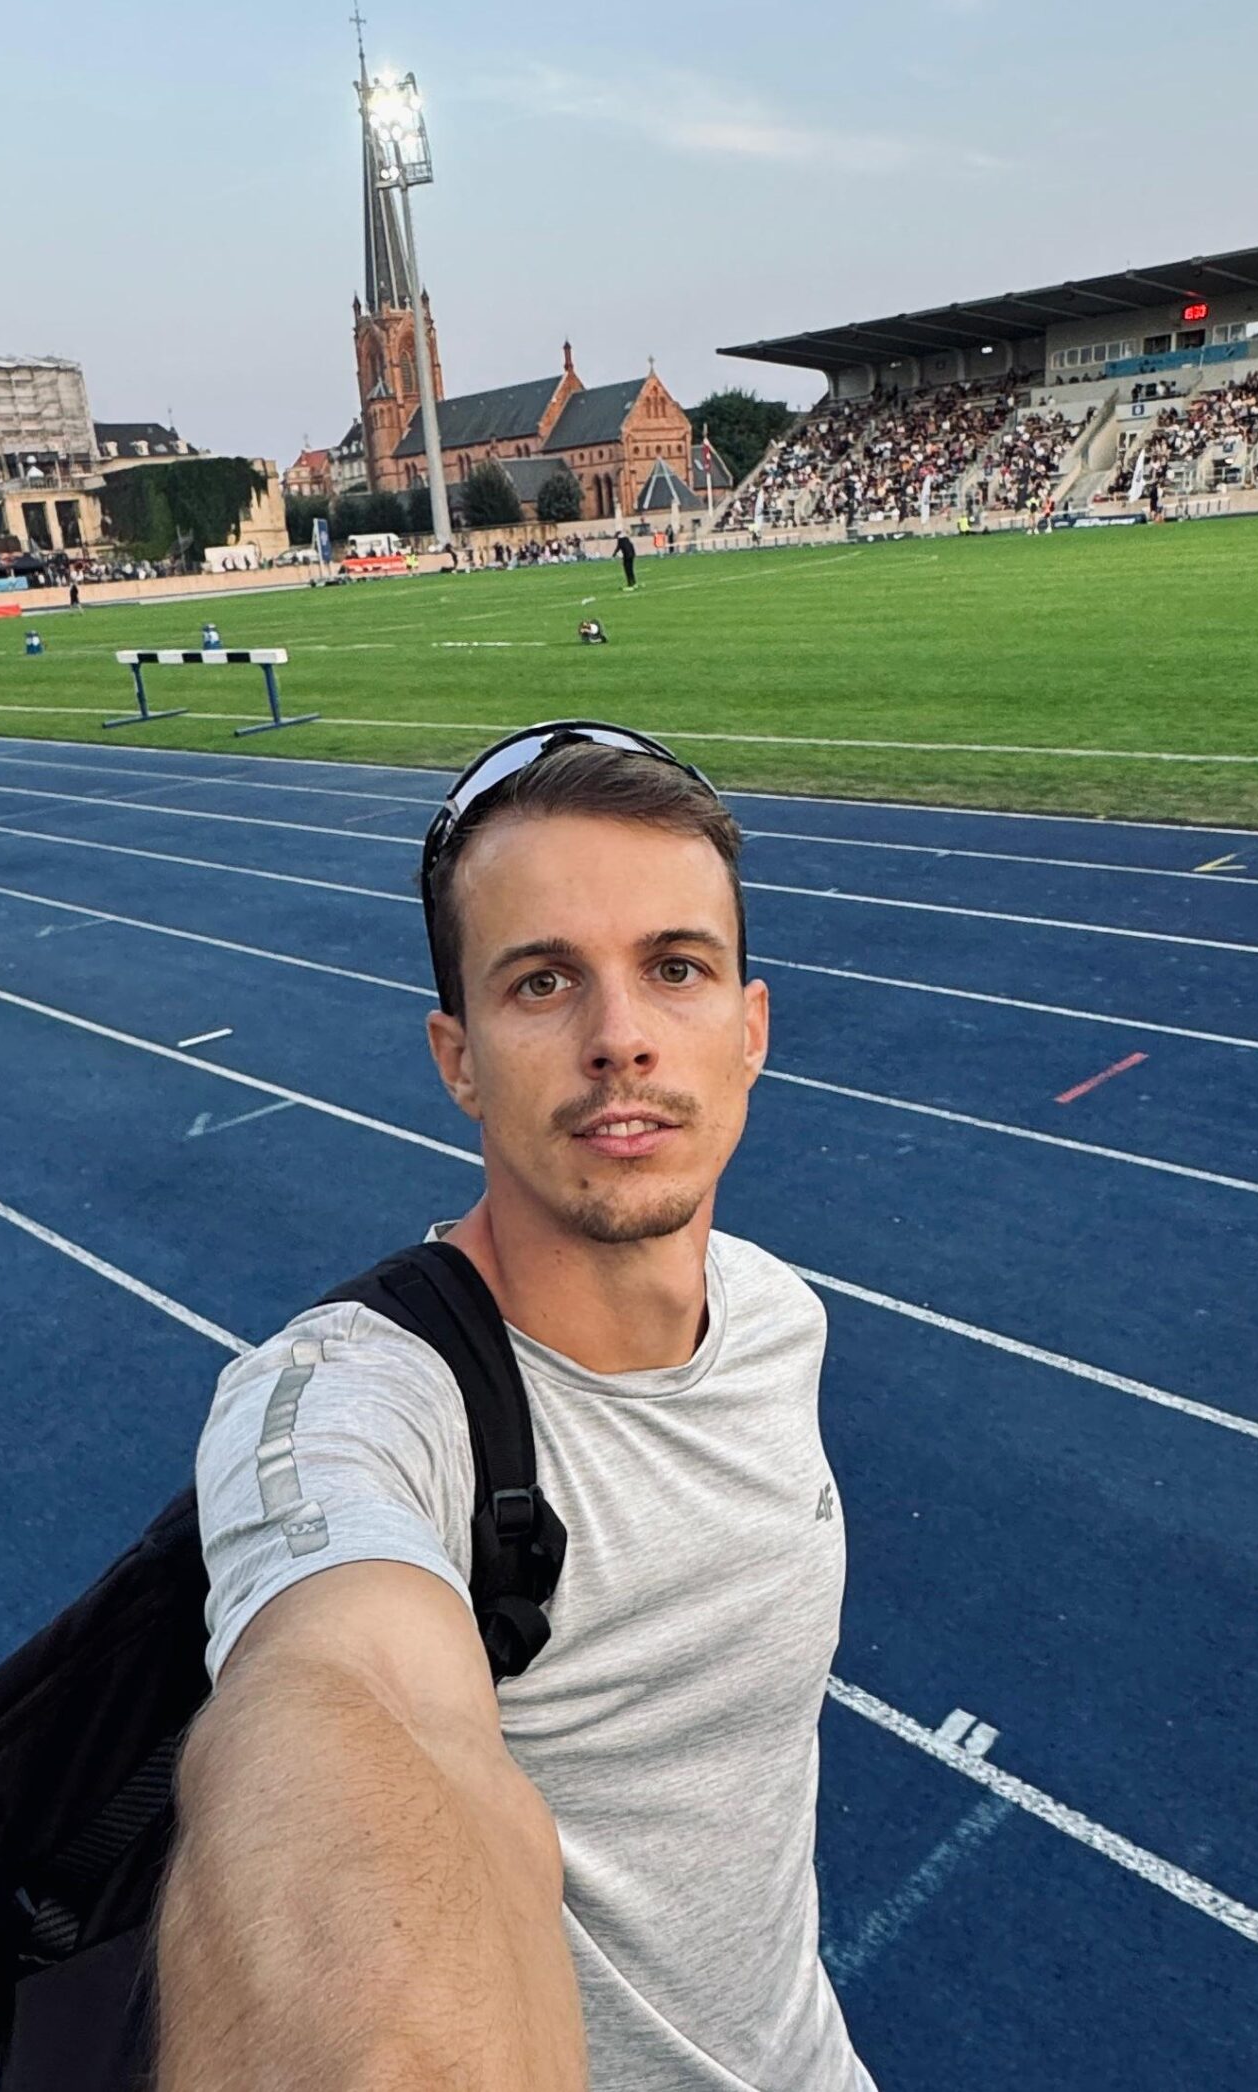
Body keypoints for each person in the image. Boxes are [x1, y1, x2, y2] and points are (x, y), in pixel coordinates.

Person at [161, 724, 872, 2092]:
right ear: (460, 1059)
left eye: (676, 969)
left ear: (751, 1030)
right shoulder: (350, 1405)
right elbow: (342, 1701)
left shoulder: (778, 1317)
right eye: (543, 982)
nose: (621, 1040)